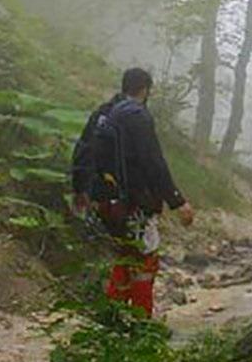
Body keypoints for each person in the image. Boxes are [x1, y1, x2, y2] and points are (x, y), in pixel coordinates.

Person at [80, 68, 194, 317]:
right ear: (145, 89)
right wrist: (177, 201)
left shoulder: (106, 113)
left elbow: (83, 151)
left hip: (109, 202)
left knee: (125, 256)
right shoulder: (138, 116)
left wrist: (81, 191)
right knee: (145, 261)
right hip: (135, 203)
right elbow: (153, 162)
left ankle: (114, 318)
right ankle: (141, 322)